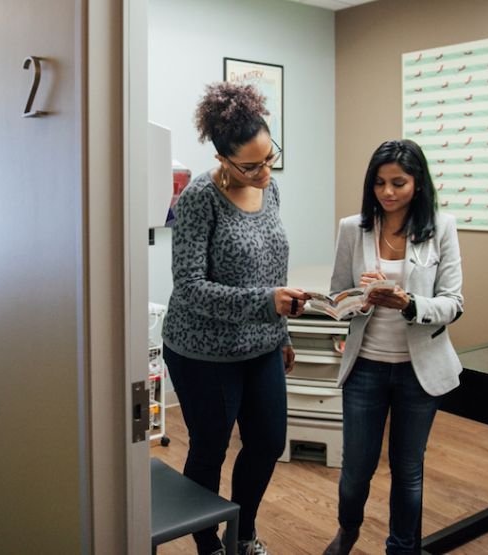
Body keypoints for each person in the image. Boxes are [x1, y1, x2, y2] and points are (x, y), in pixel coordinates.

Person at [162, 82, 309, 555]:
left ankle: (241, 535)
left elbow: (272, 268)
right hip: (202, 350)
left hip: (262, 345)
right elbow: (189, 285)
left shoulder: (272, 189)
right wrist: (266, 302)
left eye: (270, 157)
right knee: (210, 449)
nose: (265, 170)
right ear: (223, 159)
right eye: (251, 164)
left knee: (267, 442)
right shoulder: (199, 199)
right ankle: (208, 543)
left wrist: (280, 330)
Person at [323, 139, 464, 555]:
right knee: (355, 471)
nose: (387, 192)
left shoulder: (441, 227)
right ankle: (348, 529)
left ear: (417, 184)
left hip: (418, 371)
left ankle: (401, 548)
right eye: (380, 183)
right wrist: (355, 300)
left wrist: (409, 303)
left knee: (408, 471)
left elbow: (454, 303)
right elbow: (337, 295)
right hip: (365, 366)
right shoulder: (354, 228)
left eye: (398, 183)